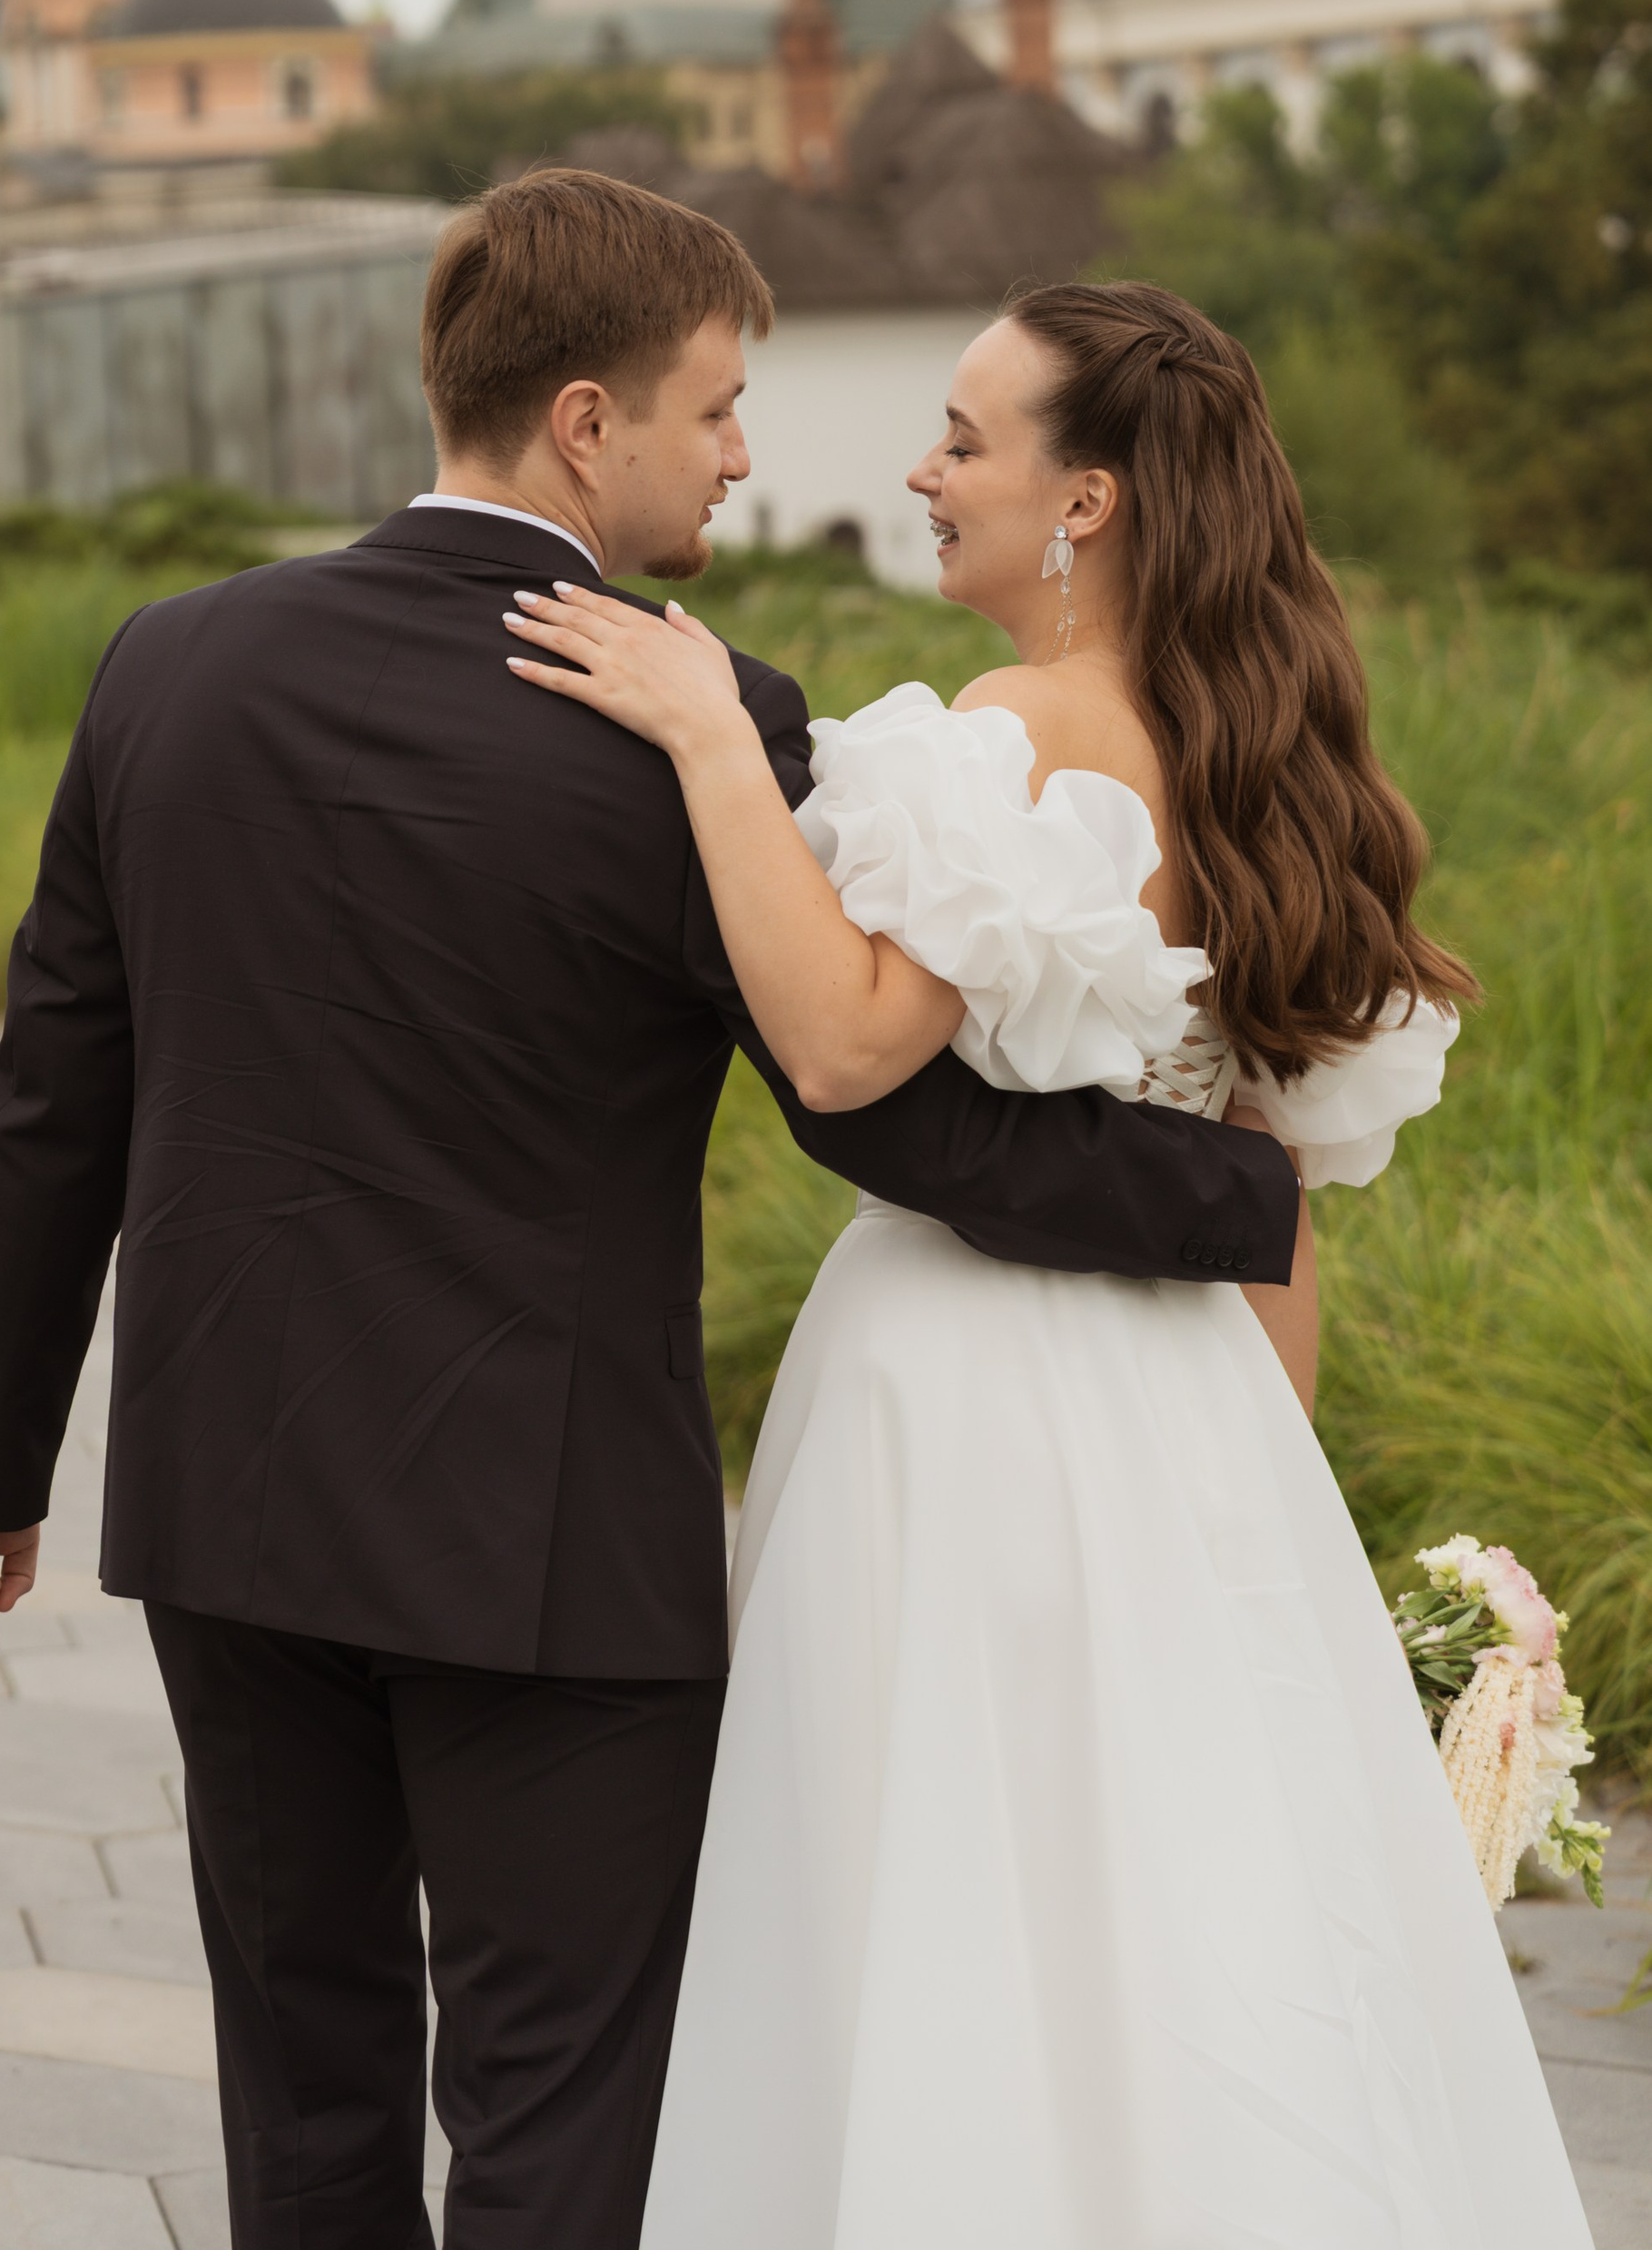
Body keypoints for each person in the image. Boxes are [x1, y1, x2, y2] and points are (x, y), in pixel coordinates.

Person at [0, 178, 1297, 2250]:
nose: (740, 453)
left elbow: (53, 1101)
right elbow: (882, 1117)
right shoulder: (692, 713)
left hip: (231, 1511)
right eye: (714, 407)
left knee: (306, 2106)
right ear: (584, 424)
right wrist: (1237, 1185)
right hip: (547, 1545)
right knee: (560, 2123)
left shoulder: (170, 664)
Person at [503, 276, 1592, 2250]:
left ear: (1084, 500)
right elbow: (1262, 1195)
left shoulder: (1010, 738)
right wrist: (1268, 1515)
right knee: (1184, 1907)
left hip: (964, 1404)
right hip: (1187, 1411)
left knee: (938, 1889)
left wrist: (711, 742)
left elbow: (843, 1049)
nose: (922, 474)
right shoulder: (1253, 761)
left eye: (961, 440)